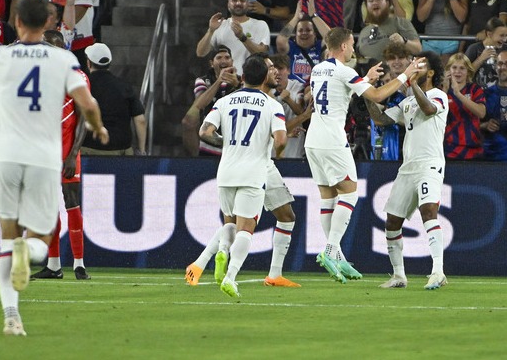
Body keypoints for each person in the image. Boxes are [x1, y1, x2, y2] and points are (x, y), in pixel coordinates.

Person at [0, 0, 108, 336]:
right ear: (47, 22)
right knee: (39, 237)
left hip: (6, 156)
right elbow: (88, 104)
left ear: (17, 22)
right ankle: (28, 250)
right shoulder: (64, 61)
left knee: (7, 237)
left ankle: (11, 316)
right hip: (43, 158)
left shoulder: (0, 55)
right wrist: (97, 125)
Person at [306, 27, 423, 283]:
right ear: (345, 47)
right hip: (333, 140)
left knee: (328, 197)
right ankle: (330, 250)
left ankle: (337, 255)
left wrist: (365, 78)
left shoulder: (318, 69)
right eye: (351, 44)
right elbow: (379, 95)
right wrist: (405, 74)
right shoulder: (345, 71)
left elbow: (338, 95)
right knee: (349, 193)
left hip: (313, 139)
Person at [198, 54, 287, 298]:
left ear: (243, 77)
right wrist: (277, 152)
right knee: (246, 229)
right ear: (264, 78)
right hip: (253, 173)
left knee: (229, 222)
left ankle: (223, 250)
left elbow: (204, 132)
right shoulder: (272, 105)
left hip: (226, 172)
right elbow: (280, 140)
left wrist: (225, 143)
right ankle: (231, 276)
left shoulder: (225, 101)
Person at [365, 52, 449, 290]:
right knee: (392, 221)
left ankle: (438, 271)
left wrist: (411, 84)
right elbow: (381, 119)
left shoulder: (438, 95)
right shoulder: (407, 102)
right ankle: (399, 275)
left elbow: (430, 109)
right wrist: (367, 95)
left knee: (429, 210)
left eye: (419, 64)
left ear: (431, 72)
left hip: (429, 164)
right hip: (408, 167)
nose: (414, 66)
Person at [32, 29, 92, 280]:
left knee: (71, 202)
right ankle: (54, 265)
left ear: (61, 47)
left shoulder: (76, 75)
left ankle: (79, 263)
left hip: (66, 150)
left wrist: (73, 153)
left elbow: (84, 116)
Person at [81, 42, 146, 155]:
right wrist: (141, 151)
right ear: (109, 63)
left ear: (88, 63)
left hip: (88, 149)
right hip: (121, 150)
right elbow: (140, 120)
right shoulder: (124, 86)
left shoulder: (82, 87)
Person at [181, 45, 241, 157]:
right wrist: (219, 81)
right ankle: (195, 159)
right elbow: (199, 104)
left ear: (232, 62)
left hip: (235, 140)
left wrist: (237, 86)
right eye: (219, 58)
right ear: (211, 63)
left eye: (227, 57)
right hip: (209, 140)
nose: (223, 61)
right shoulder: (202, 80)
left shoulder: (241, 80)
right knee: (188, 121)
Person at [195, 0, 270, 75]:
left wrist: (242, 37)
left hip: (249, 81)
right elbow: (200, 53)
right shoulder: (219, 25)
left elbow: (262, 55)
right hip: (223, 81)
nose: (238, 3)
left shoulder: (260, 25)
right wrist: (211, 30)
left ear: (248, 4)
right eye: (234, 0)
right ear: (228, 4)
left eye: (242, 0)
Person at [357, 0, 421, 65]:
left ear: (387, 3)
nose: (375, 3)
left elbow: (418, 49)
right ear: (366, 6)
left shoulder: (400, 22)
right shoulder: (364, 31)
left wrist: (404, 41)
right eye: (371, 1)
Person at [276, 0, 331, 84]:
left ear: (315, 34)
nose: (304, 33)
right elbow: (280, 41)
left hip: (314, 90)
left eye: (308, 30)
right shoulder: (291, 47)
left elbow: (331, 37)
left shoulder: (320, 46)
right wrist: (295, 18)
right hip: (292, 91)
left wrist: (313, 16)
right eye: (300, 30)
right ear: (295, 34)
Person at [443, 53, 486, 160]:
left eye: (462, 68)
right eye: (454, 67)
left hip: (473, 149)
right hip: (449, 149)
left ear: (468, 72)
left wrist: (458, 94)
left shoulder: (475, 89)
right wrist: (444, 90)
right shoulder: (441, 91)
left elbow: (481, 113)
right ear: (448, 70)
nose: (457, 71)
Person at [465, 17, 507, 88]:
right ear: (489, 34)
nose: (505, 39)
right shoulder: (474, 49)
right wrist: (480, 59)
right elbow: (464, 75)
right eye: (501, 35)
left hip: (499, 94)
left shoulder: (505, 49)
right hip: (477, 94)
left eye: (506, 36)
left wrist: (500, 62)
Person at [481, 49, 507, 161]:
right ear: (496, 66)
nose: (503, 67)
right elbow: (472, 124)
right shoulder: (485, 94)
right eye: (500, 63)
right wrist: (485, 125)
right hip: (491, 156)